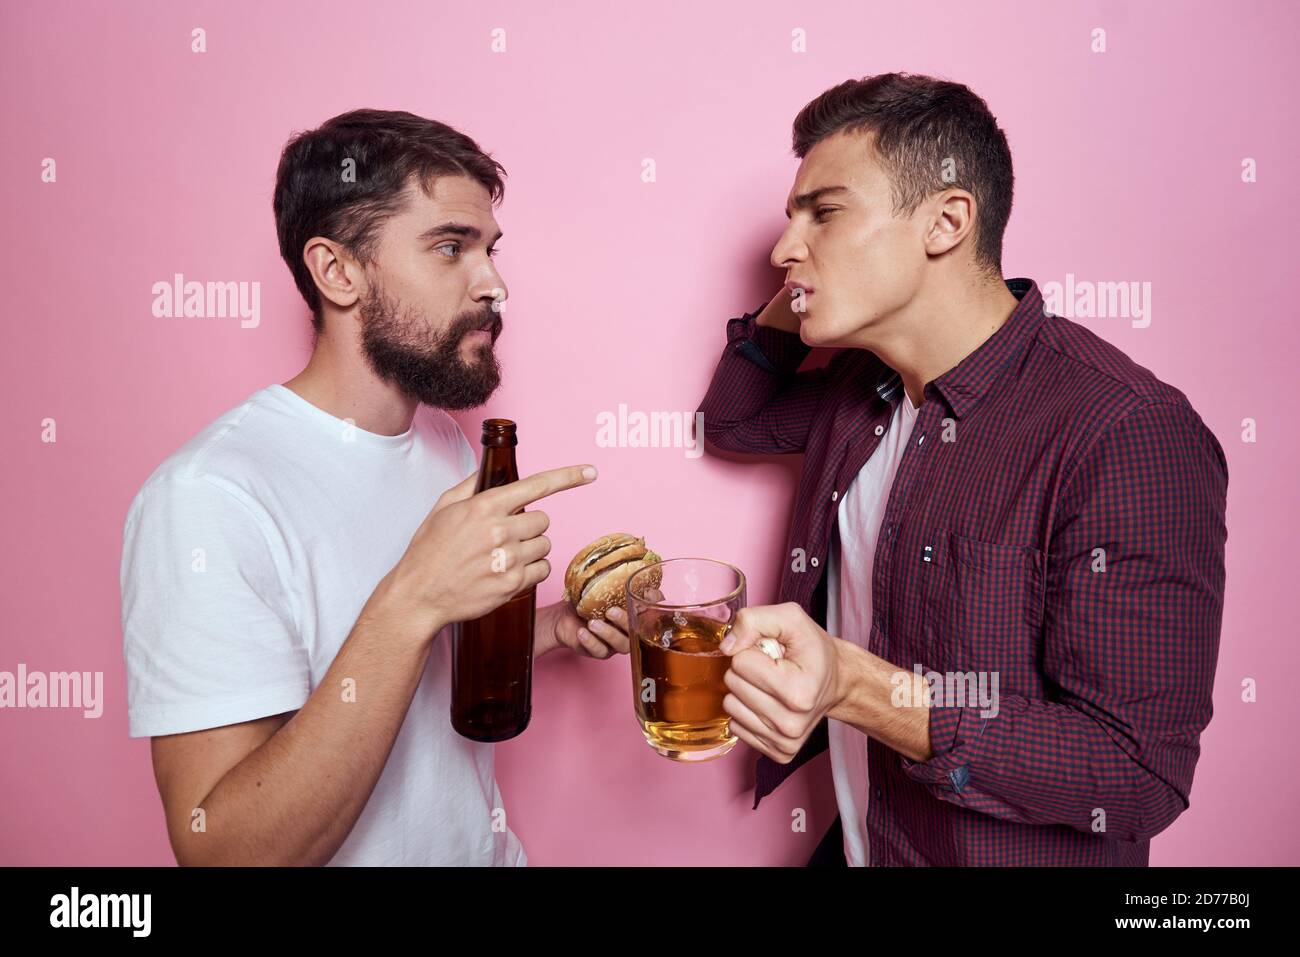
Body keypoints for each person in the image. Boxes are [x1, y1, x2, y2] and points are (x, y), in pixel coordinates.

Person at [697, 73, 1228, 866]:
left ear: (946, 222)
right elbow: (731, 417)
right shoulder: (862, 392)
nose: (781, 248)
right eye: (789, 218)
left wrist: (854, 686)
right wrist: (805, 288)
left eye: (826, 212)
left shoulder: (1123, 430)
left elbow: (1135, 771)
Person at [120, 109, 630, 866]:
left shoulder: (444, 445)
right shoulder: (208, 496)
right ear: (337, 271)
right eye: (451, 247)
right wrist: (412, 596)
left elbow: (428, 661)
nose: (494, 284)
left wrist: (549, 629)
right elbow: (222, 850)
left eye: (489, 250)